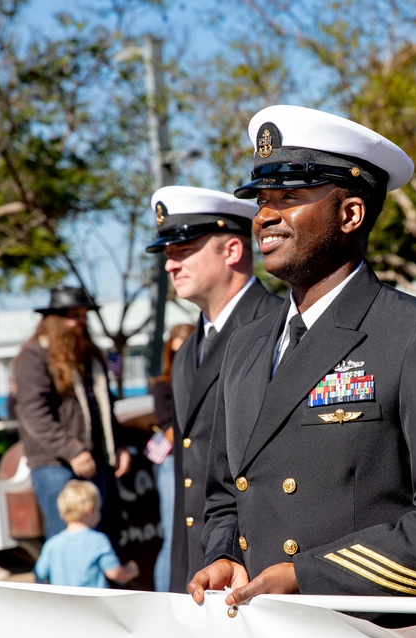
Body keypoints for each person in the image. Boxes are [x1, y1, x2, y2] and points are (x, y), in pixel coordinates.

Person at [187, 105, 416, 620]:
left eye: (289, 198)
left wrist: (309, 576)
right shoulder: (246, 346)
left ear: (350, 214)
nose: (264, 216)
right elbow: (227, 493)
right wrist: (225, 553)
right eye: (262, 200)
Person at [145, 186, 282, 593]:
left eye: (184, 249)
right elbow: (190, 476)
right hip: (205, 565)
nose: (171, 265)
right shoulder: (189, 349)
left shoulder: (281, 326)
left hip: (259, 567)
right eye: (168, 254)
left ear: (233, 251)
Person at [13, 285, 132, 541]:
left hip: (95, 459)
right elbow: (33, 413)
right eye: (73, 315)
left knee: (97, 539)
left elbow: (105, 407)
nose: (81, 321)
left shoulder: (89, 355)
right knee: (67, 541)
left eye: (83, 315)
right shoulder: (34, 357)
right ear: (54, 321)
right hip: (56, 464)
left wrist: (118, 445)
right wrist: (72, 451)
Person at [146, 322, 195, 592]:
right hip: (172, 462)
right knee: (172, 536)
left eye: (185, 351)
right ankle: (165, 597)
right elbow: (170, 431)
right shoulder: (162, 386)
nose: (180, 359)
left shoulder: (204, 380)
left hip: (196, 461)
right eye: (175, 354)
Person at [34, 480, 138, 588]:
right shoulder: (98, 540)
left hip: (63, 603)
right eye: (98, 509)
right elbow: (115, 573)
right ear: (90, 510)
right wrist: (129, 571)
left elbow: (39, 575)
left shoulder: (52, 544)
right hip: (93, 603)